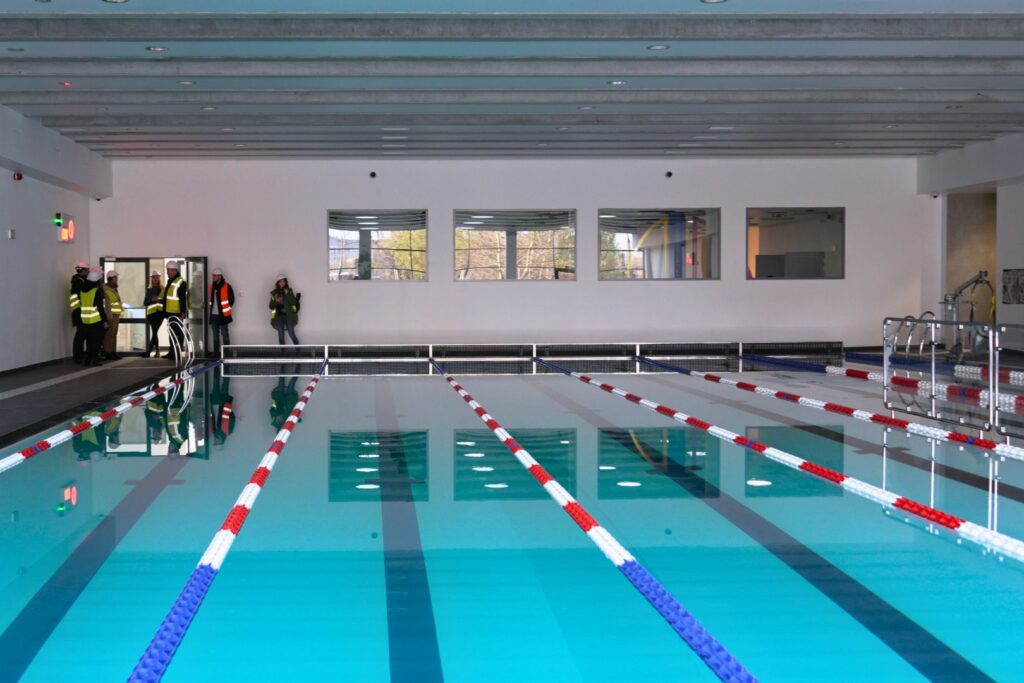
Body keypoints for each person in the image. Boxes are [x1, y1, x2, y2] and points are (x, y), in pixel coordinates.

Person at [79, 266, 109, 366]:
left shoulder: (82, 291)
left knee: (88, 340)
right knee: (96, 341)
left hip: (85, 320)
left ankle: (88, 359)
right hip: (95, 320)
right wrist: (105, 321)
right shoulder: (96, 291)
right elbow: (100, 308)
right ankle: (94, 359)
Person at [161, 261, 188, 361]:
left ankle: (178, 353)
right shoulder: (171, 281)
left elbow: (182, 299)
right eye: (167, 270)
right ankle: (171, 352)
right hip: (170, 312)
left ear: (174, 270)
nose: (167, 272)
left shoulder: (181, 282)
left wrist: (182, 313)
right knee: (171, 333)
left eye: (168, 270)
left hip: (177, 313)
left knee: (178, 333)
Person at [208, 267, 235, 356]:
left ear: (219, 276)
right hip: (213, 315)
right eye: (213, 275)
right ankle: (216, 353)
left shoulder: (227, 286)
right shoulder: (212, 287)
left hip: (223, 315)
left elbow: (232, 299)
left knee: (225, 334)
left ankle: (227, 353)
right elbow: (211, 300)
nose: (213, 277)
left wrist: (226, 308)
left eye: (215, 275)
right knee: (215, 336)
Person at [269, 274, 301, 345]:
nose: (282, 283)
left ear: (286, 282)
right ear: (277, 282)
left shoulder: (289, 291)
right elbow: (271, 306)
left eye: (283, 281)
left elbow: (294, 302)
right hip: (279, 317)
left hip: (289, 316)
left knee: (291, 334)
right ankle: (282, 351)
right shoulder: (274, 293)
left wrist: (287, 294)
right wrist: (276, 301)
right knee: (281, 336)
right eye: (280, 281)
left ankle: (298, 350)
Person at [69, 260, 89, 363]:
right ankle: (78, 355)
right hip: (79, 311)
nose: (88, 272)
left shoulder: (77, 281)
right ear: (83, 270)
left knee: (81, 334)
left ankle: (79, 354)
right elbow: (82, 296)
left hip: (78, 311)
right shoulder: (78, 282)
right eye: (87, 270)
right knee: (80, 334)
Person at [102, 270, 123, 361]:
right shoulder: (106, 289)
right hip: (111, 316)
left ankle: (113, 351)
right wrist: (109, 318)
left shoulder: (113, 289)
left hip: (116, 315)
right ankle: (108, 352)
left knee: (114, 334)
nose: (117, 280)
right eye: (116, 278)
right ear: (111, 279)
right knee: (109, 335)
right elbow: (107, 306)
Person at [145, 269, 164, 357]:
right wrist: (151, 300)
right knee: (155, 332)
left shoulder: (163, 289)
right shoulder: (149, 290)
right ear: (151, 278)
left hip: (160, 314)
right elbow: (145, 303)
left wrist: (158, 300)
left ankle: (150, 351)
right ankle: (156, 351)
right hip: (151, 314)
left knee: (155, 332)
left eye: (157, 277)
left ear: (159, 278)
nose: (155, 279)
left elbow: (166, 301)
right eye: (154, 277)